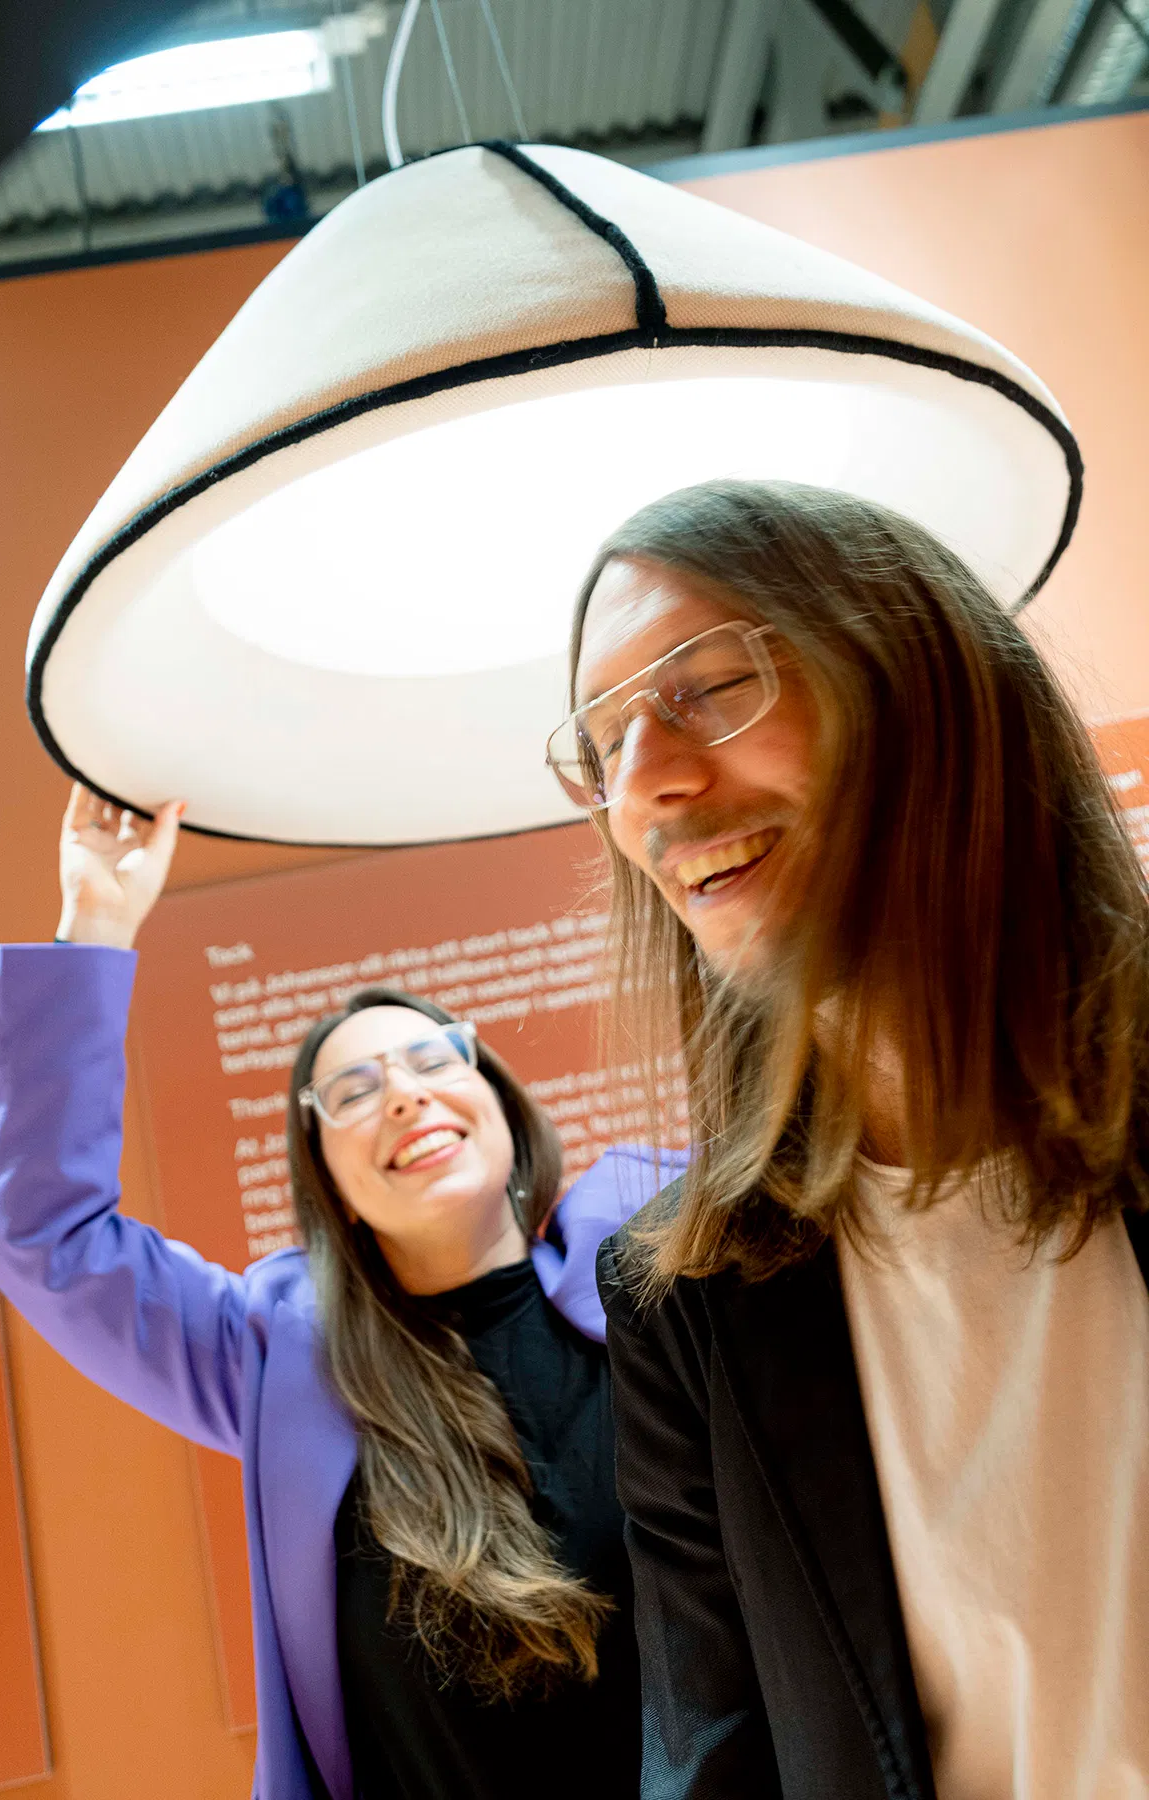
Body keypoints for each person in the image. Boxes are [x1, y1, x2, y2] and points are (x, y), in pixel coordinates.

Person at [544, 479, 1149, 1800]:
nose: (642, 786)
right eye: (601, 747)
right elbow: (709, 1759)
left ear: (918, 678)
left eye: (706, 685)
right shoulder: (684, 1299)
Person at [0, 784, 682, 1800]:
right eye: (353, 1092)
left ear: (499, 1105)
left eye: (430, 1060)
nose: (402, 1093)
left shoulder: (652, 1259)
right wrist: (96, 925)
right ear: (329, 1183)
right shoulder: (277, 1358)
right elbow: (43, 1233)